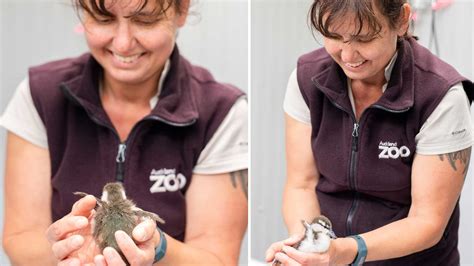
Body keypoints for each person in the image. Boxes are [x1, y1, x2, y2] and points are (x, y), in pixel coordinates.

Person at [1, 0, 248, 265]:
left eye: (145, 20)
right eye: (104, 19)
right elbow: (19, 239)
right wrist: (65, 248)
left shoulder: (220, 113)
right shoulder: (41, 96)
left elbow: (217, 259)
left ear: (182, 10)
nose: (122, 44)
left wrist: (158, 247)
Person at [266, 0, 473, 265]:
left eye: (364, 39)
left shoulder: (440, 96)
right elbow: (301, 184)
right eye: (334, 36)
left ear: (401, 20)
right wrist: (309, 247)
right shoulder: (307, 80)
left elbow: (427, 221)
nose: (348, 56)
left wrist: (346, 252)